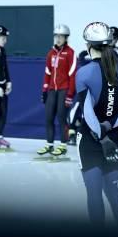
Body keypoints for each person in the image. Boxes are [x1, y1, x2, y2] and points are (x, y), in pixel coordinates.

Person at [75, 22, 118, 226]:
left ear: (88, 46)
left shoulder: (84, 73)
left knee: (94, 194)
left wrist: (100, 133)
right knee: (111, 189)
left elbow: (87, 111)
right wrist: (109, 126)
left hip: (91, 140)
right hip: (115, 138)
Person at [70, 25, 118, 146]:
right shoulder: (86, 66)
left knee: (104, 108)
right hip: (91, 81)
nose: (112, 41)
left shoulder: (115, 52)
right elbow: (83, 57)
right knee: (80, 106)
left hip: (106, 83)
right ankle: (73, 130)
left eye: (115, 38)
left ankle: (102, 133)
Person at [38, 24, 77, 157]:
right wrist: (44, 90)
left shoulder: (70, 53)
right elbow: (47, 73)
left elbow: (72, 74)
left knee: (61, 117)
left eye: (61, 36)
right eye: (56, 36)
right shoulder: (51, 53)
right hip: (51, 90)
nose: (58, 39)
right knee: (48, 117)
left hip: (64, 90)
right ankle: (49, 144)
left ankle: (63, 145)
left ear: (66, 38)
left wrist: (70, 94)